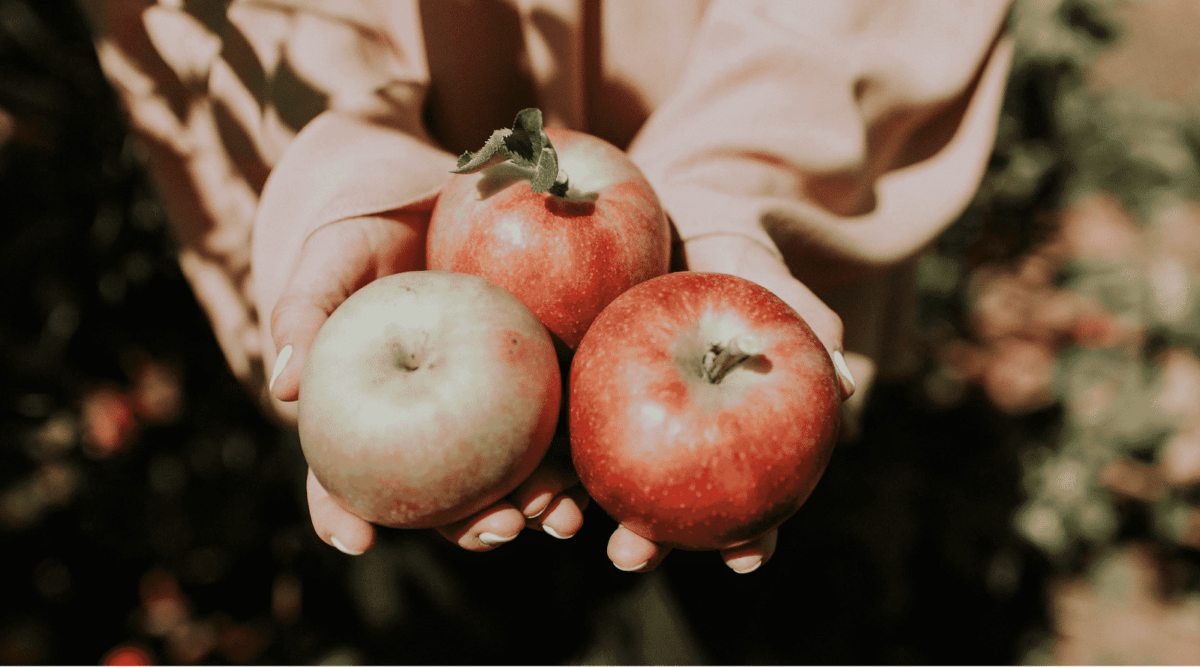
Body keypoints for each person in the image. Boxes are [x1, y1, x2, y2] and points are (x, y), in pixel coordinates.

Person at [80, 0, 1013, 575]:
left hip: (721, 281)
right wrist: (349, 165)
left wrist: (732, 184)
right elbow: (232, 21)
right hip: (413, 337)